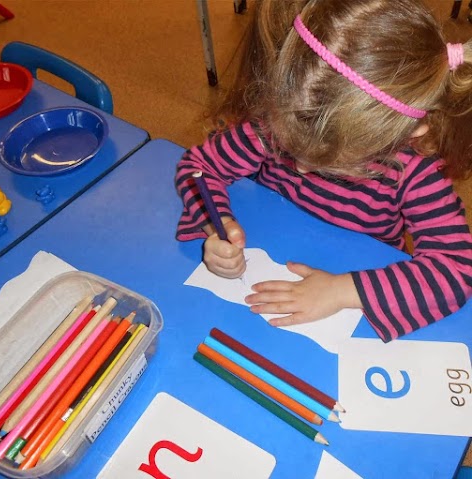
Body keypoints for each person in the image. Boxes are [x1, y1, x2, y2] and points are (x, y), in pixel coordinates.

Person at [175, 0, 472, 342]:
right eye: (293, 146)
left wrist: (341, 290)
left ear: (411, 132)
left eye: (327, 161)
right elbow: (198, 167)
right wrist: (217, 222)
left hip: (358, 284)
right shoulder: (283, 119)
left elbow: (455, 269)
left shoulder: (414, 171)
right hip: (275, 252)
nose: (300, 167)